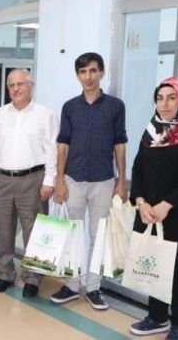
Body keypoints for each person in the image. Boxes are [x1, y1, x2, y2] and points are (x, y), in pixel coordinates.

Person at [128, 77, 178, 340]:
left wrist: (167, 204)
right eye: (160, 98)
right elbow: (138, 169)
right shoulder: (151, 132)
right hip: (150, 214)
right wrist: (140, 201)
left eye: (171, 97)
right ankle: (157, 318)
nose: (164, 104)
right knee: (156, 267)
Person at [50, 52, 127, 310]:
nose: (88, 76)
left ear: (101, 72)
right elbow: (63, 145)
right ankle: (73, 285)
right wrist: (60, 181)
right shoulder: (70, 107)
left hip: (103, 180)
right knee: (73, 232)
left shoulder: (116, 106)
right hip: (73, 179)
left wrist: (122, 181)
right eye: (83, 72)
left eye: (93, 70)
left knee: (98, 235)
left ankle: (93, 287)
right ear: (78, 75)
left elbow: (120, 145)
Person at [0, 69, 58, 298]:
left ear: (31, 85)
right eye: (11, 85)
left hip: (32, 180)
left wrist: (49, 180)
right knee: (3, 231)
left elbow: (52, 150)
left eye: (20, 84)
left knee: (33, 231)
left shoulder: (45, 114)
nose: (15, 89)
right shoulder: (0, 114)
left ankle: (33, 278)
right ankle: (5, 273)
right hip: (2, 180)